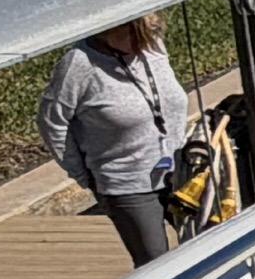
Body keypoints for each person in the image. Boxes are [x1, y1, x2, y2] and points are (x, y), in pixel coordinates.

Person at [40, 16, 191, 263]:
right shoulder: (78, 64)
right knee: (156, 265)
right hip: (128, 183)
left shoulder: (152, 44)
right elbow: (52, 123)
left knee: (208, 245)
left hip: (180, 171)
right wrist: (82, 174)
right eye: (133, 37)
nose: (143, 45)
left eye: (148, 36)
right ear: (108, 30)